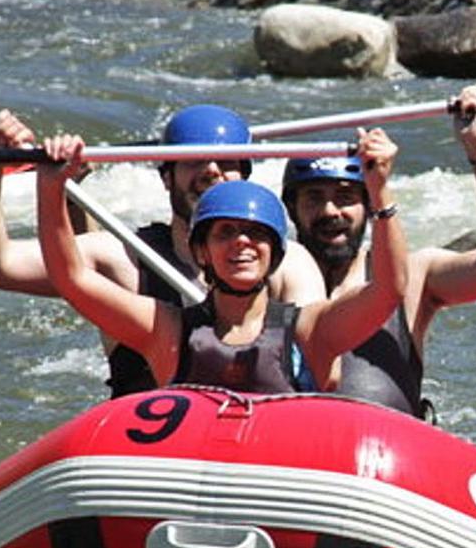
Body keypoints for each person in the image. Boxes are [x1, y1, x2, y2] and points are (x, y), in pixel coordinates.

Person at [0, 105, 326, 396]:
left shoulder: (287, 262)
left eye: (228, 163)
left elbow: (317, 360)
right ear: (166, 177)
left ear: (245, 179)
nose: (213, 171)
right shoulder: (122, 256)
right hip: (148, 449)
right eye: (195, 161)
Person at [35, 130, 408, 394]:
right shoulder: (167, 330)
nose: (242, 242)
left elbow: (389, 290)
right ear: (201, 252)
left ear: (276, 254)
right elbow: (70, 277)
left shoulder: (311, 330)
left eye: (256, 233)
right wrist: (51, 187)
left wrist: (379, 189)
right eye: (225, 232)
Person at [280, 84, 476, 420]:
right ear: (291, 208)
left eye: (344, 197)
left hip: (384, 457)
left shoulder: (415, 275)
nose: (330, 211)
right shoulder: (265, 275)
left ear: (369, 205)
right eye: (314, 198)